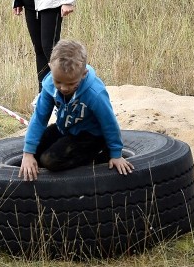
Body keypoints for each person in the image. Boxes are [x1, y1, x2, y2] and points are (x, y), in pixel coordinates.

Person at [19, 39, 134, 181]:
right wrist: (28, 154)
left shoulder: (94, 93)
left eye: (71, 83)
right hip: (67, 128)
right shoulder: (49, 86)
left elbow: (109, 123)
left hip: (92, 136)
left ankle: (98, 158)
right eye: (58, 82)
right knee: (31, 153)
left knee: (49, 161)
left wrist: (116, 154)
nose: (64, 88)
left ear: (84, 74)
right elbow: (39, 118)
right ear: (50, 68)